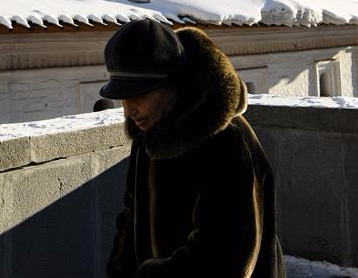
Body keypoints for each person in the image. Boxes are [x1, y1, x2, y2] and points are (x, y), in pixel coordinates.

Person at [101, 18, 285, 278]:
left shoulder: (226, 141)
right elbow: (133, 214)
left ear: (170, 86)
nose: (129, 110)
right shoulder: (150, 134)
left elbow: (227, 256)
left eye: (137, 95)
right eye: (123, 98)